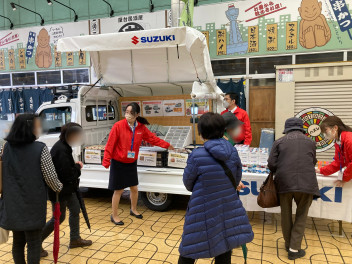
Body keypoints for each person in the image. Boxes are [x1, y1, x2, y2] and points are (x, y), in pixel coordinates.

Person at [178, 112, 254, 264]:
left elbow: (188, 184)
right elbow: (236, 178)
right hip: (226, 207)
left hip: (202, 208)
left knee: (191, 246)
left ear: (201, 133)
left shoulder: (197, 155)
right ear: (222, 129)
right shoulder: (232, 151)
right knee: (224, 244)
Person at [0, 114, 63, 264]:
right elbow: (51, 178)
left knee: (18, 241)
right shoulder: (40, 149)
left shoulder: (6, 147)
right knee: (34, 243)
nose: (39, 128)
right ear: (29, 127)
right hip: (32, 203)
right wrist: (59, 187)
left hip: (12, 202)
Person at [103, 102, 174, 225]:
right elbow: (110, 143)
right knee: (118, 190)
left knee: (134, 188)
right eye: (126, 112)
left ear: (137, 114)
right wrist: (106, 160)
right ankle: (114, 216)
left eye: (131, 113)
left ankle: (133, 209)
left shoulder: (140, 127)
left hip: (131, 162)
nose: (128, 115)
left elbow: (152, 138)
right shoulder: (118, 126)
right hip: (118, 162)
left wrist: (167, 145)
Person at [268, 117, 320, 260]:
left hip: (284, 182)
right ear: (301, 128)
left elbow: (271, 164)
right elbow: (313, 161)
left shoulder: (279, 141)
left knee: (285, 214)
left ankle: (288, 244)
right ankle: (294, 248)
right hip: (307, 183)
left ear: (287, 128)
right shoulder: (311, 142)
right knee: (301, 215)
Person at [41, 123, 92, 257]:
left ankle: (75, 239)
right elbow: (67, 174)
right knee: (58, 218)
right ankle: (36, 242)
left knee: (74, 210)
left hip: (66, 189)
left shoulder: (63, 146)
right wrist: (78, 167)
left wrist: (74, 168)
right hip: (60, 190)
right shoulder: (61, 150)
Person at [317, 116, 352, 187]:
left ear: (335, 128)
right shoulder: (338, 141)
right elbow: (338, 162)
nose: (324, 134)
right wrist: (321, 170)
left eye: (325, 130)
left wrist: (345, 178)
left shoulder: (349, 140)